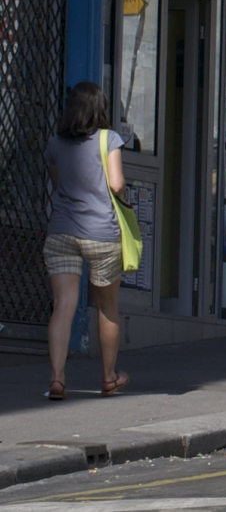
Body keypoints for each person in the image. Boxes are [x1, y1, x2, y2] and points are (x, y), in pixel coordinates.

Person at [44, 81, 129, 401]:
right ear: (100, 107)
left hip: (62, 231)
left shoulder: (54, 143)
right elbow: (118, 184)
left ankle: (57, 379)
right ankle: (108, 377)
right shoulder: (110, 139)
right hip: (101, 234)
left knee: (63, 306)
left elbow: (57, 183)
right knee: (106, 308)